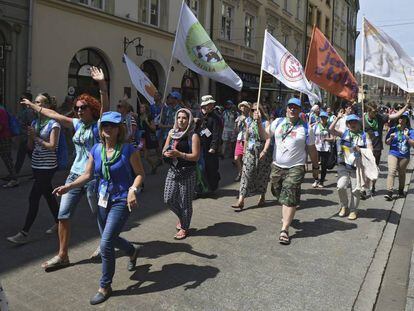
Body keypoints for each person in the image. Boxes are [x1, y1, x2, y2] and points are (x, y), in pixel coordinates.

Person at [21, 66, 109, 268]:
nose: (78, 110)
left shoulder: (99, 125)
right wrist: (33, 106)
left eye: (82, 107)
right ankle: (63, 255)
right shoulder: (77, 124)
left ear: (91, 109)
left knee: (99, 214)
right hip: (74, 176)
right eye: (77, 107)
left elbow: (106, 105)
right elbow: (53, 114)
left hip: (94, 178)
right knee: (63, 215)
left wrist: (102, 85)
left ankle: (106, 244)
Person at [53, 111, 144, 305]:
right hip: (102, 199)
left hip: (121, 200)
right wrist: (68, 187)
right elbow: (87, 175)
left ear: (119, 129)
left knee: (106, 243)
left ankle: (105, 285)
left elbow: (139, 174)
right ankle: (132, 251)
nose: (107, 128)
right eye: (104, 126)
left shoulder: (129, 150)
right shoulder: (95, 149)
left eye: (111, 125)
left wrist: (133, 190)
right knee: (108, 238)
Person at [7, 93, 61, 244]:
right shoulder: (35, 122)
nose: (37, 105)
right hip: (36, 164)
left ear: (48, 106)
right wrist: (31, 137)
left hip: (48, 166)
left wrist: (36, 137)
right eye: (36, 102)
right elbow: (31, 147)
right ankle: (59, 222)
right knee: (49, 195)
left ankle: (24, 233)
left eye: (40, 103)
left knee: (34, 197)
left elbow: (52, 146)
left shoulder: (54, 124)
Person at [266, 98, 319, 245]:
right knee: (277, 191)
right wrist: (258, 122)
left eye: (296, 107)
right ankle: (288, 210)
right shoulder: (277, 122)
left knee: (289, 192)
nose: (292, 110)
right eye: (290, 107)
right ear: (286, 108)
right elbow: (265, 136)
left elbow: (312, 150)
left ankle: (285, 229)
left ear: (300, 110)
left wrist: (315, 167)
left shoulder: (306, 128)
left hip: (296, 166)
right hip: (277, 165)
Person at [163, 108, 200, 240]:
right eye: (179, 118)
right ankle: (182, 218)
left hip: (187, 172)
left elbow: (195, 156)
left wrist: (179, 154)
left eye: (184, 118)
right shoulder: (172, 133)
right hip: (173, 171)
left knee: (185, 202)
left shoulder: (193, 135)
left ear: (189, 120)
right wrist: (166, 153)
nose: (181, 120)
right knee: (168, 199)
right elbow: (164, 149)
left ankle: (184, 227)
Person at [329, 113, 372, 220]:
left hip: (357, 167)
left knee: (355, 190)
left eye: (355, 122)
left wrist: (361, 150)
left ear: (358, 123)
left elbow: (371, 151)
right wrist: (338, 118)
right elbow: (330, 130)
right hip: (343, 165)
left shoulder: (364, 135)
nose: (352, 124)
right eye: (350, 122)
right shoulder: (344, 133)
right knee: (341, 186)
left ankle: (353, 210)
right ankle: (344, 206)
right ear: (347, 124)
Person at [362, 99, 408, 197]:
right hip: (365, 149)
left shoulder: (380, 117)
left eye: (376, 111)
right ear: (368, 111)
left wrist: (406, 106)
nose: (376, 113)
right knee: (365, 169)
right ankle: (364, 189)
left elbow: (395, 115)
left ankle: (373, 186)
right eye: (374, 111)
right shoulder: (362, 120)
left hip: (377, 148)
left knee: (374, 169)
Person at [232, 103, 271, 209]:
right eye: (253, 110)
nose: (255, 112)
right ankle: (241, 200)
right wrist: (244, 152)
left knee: (262, 174)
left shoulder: (265, 122)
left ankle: (262, 196)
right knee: (246, 174)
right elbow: (247, 137)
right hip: (250, 151)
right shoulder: (248, 121)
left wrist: (265, 150)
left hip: (261, 151)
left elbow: (268, 138)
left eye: (257, 110)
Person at [384, 112, 414, 200]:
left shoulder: (410, 131)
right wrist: (391, 138)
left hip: (404, 155)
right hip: (393, 153)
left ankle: (401, 190)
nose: (401, 119)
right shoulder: (393, 129)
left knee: (401, 173)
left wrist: (407, 136)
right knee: (392, 171)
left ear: (406, 120)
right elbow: (386, 142)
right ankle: (389, 192)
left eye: (403, 118)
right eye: (400, 118)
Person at [198, 95, 222, 193]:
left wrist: (213, 147)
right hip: (198, 145)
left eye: (212, 104)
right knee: (200, 168)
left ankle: (212, 187)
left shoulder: (216, 117)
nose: (211, 106)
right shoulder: (197, 114)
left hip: (210, 147)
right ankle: (201, 187)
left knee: (211, 168)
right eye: (209, 104)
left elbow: (216, 134)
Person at [312, 111, 335, 188]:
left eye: (324, 117)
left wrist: (326, 139)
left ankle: (321, 181)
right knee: (315, 165)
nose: (322, 119)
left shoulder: (329, 127)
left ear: (327, 119)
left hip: (325, 148)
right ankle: (316, 180)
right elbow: (312, 136)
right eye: (321, 117)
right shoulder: (316, 126)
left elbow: (332, 139)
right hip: (316, 148)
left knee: (324, 166)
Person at [14, 92, 35, 175]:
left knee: (20, 156)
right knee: (31, 156)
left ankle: (14, 175)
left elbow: (31, 125)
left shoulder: (29, 111)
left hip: (26, 138)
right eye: (20, 99)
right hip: (24, 137)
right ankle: (36, 172)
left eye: (23, 99)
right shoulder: (24, 110)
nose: (21, 101)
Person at [139, 103, 161, 174]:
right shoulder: (140, 117)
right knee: (144, 155)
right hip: (143, 137)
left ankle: (155, 164)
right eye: (140, 107)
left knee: (146, 155)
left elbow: (154, 128)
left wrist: (147, 122)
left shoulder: (149, 117)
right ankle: (154, 165)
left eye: (142, 107)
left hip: (149, 136)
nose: (140, 109)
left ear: (146, 109)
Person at [0, 104, 19, 188]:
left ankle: (14, 179)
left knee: (7, 159)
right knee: (7, 158)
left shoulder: (1, 111)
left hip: (4, 138)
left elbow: (1, 126)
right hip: (3, 138)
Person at [234, 101, 251, 182]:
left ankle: (244, 174)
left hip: (247, 140)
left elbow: (250, 129)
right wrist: (237, 124)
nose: (243, 107)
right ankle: (240, 172)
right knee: (236, 158)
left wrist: (244, 121)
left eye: (245, 106)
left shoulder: (250, 118)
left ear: (248, 108)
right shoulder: (238, 117)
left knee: (245, 159)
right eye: (242, 106)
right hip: (239, 139)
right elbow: (236, 131)